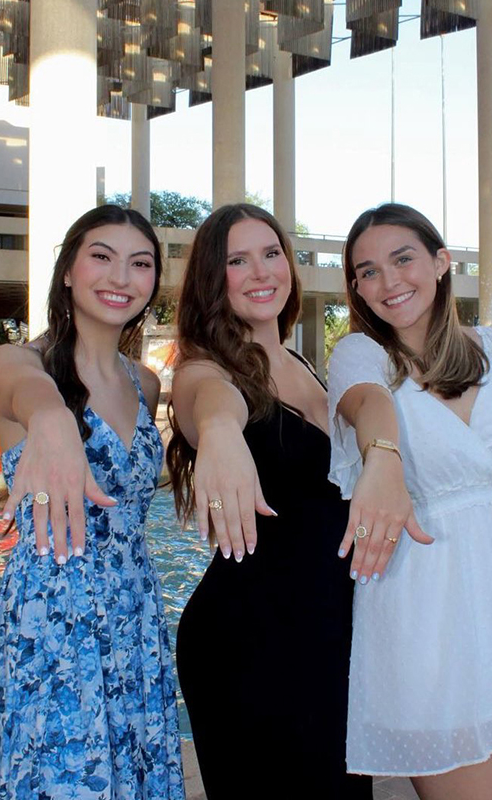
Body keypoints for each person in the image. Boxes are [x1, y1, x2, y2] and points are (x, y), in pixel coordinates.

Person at [0, 205, 185, 800]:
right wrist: (53, 416)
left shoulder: (146, 383)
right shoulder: (20, 361)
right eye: (101, 257)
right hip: (52, 619)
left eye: (140, 264)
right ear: (67, 271)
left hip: (135, 607)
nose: (121, 277)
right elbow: (25, 392)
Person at [327, 203, 492, 800]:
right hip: (422, 627)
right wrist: (383, 456)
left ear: (442, 262)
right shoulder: (360, 357)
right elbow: (368, 405)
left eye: (403, 259)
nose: (389, 282)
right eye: (367, 271)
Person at [167, 204, 373, 800]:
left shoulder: (305, 364)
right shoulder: (204, 370)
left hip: (328, 630)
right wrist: (223, 435)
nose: (260, 270)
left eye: (271, 252)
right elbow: (210, 403)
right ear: (214, 277)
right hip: (252, 640)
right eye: (237, 259)